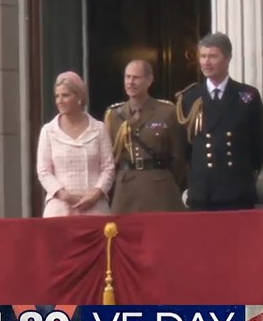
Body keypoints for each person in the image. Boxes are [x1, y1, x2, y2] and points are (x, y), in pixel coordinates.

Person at [175, 32, 263, 211]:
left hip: (236, 188)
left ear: (228, 59)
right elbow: (184, 146)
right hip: (203, 189)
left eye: (213, 56)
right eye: (203, 56)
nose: (206, 62)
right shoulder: (189, 97)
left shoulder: (247, 95)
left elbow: (258, 144)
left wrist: (247, 173)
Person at [104, 60, 187, 214]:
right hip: (125, 191)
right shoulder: (114, 115)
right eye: (127, 77)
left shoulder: (167, 112)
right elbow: (109, 157)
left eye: (136, 77)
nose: (130, 82)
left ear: (149, 80)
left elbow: (179, 157)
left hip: (159, 188)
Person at [35, 71, 115, 217]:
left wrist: (95, 194)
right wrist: (64, 195)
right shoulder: (48, 131)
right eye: (57, 96)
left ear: (79, 97)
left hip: (95, 207)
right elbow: (43, 171)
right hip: (59, 208)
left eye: (65, 95)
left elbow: (108, 168)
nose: (60, 101)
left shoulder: (99, 128)